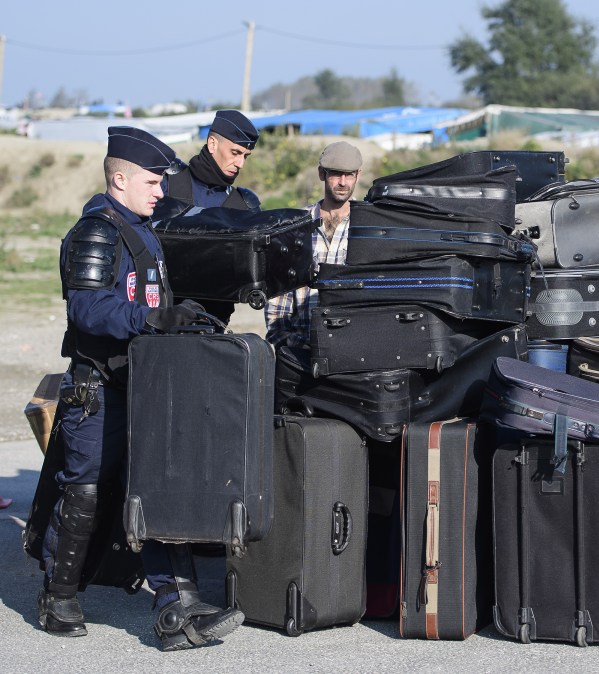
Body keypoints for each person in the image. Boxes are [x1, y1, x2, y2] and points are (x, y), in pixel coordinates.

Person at [34, 126, 244, 651]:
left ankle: (180, 610)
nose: (159, 192)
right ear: (120, 179)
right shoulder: (97, 231)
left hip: (148, 384)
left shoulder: (146, 230)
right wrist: (153, 318)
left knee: (158, 490)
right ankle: (58, 596)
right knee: (85, 488)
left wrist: (187, 316)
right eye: (152, 182)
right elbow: (87, 309)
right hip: (99, 388)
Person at [263, 141, 362, 406]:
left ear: (358, 176)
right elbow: (277, 300)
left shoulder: (369, 227)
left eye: (349, 175)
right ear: (321, 174)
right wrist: (288, 346)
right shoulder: (295, 226)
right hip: (299, 358)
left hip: (353, 360)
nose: (342, 182)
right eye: (335, 174)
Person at [159, 109, 261, 324]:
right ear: (213, 144)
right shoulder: (166, 184)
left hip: (211, 323)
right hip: (158, 318)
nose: (241, 163)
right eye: (235, 152)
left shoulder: (243, 205)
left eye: (245, 156)